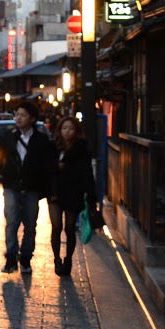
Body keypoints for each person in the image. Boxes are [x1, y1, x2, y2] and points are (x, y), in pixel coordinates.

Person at [0, 100, 56, 274]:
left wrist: (48, 189)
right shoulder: (8, 136)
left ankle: (26, 258)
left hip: (32, 187)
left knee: (30, 224)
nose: (18, 118)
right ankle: (11, 258)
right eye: (17, 114)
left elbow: (47, 166)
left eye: (23, 115)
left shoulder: (41, 140)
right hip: (12, 185)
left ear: (32, 118)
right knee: (11, 222)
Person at [51, 118, 95, 276]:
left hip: (73, 192)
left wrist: (91, 197)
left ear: (76, 131)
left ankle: (68, 259)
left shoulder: (82, 149)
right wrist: (56, 166)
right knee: (56, 227)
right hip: (55, 192)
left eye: (71, 128)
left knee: (70, 228)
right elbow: (46, 167)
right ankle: (56, 259)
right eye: (64, 128)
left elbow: (87, 173)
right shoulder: (54, 146)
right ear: (60, 130)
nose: (67, 131)